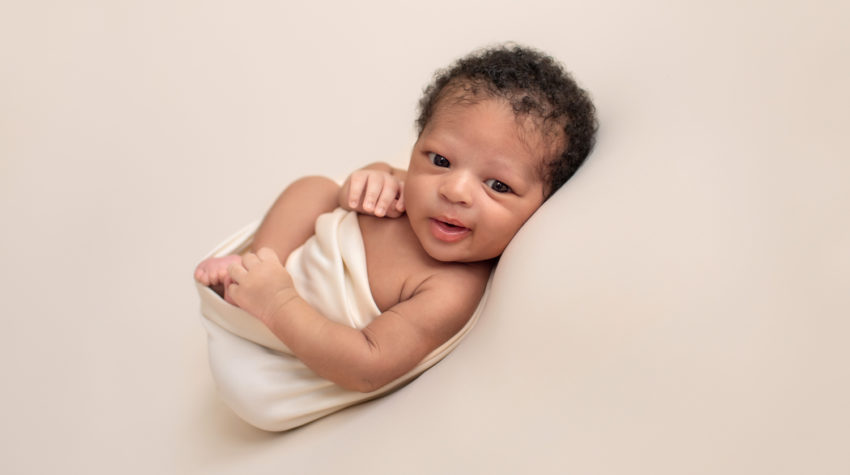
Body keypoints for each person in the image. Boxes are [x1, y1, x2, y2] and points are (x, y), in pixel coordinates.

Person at [194, 43, 596, 419]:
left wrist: (278, 302)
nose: (454, 190)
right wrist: (370, 179)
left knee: (251, 390)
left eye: (498, 186)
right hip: (280, 273)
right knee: (315, 187)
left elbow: (369, 364)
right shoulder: (410, 189)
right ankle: (257, 263)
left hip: (288, 344)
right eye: (440, 159)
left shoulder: (452, 287)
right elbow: (356, 191)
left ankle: (258, 287)